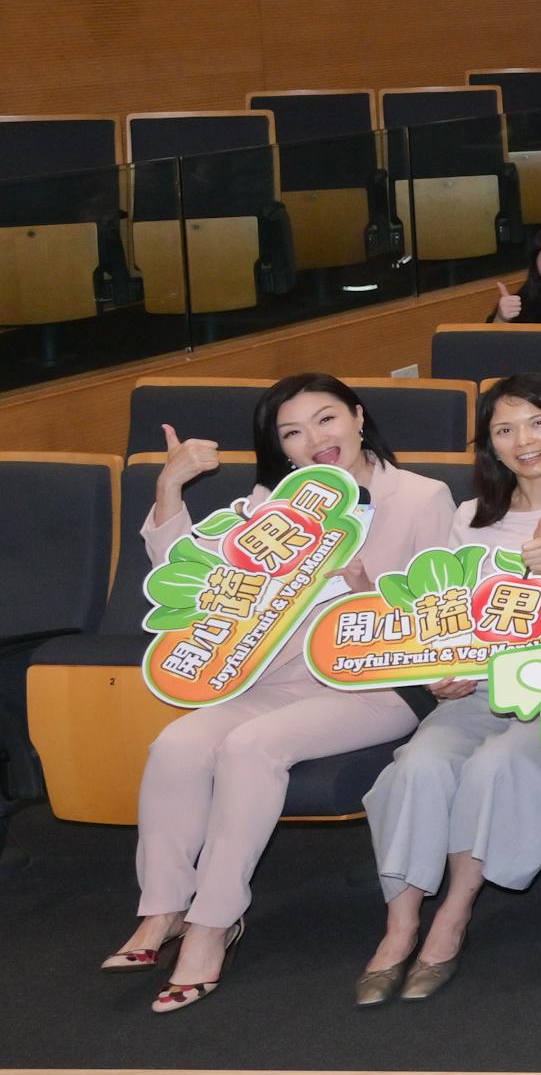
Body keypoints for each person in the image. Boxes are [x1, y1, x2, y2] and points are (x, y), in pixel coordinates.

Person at [116, 376, 462, 1012]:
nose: (315, 441)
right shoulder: (277, 501)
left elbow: (438, 616)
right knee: (177, 743)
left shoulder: (420, 495)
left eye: (327, 420)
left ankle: (213, 923)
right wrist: (169, 486)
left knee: (250, 748)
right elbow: (197, 581)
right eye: (293, 433)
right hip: (277, 676)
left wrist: (364, 585)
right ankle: (163, 909)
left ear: (359, 418)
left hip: (376, 681)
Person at [361, 378, 541, 1003]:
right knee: (420, 763)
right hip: (487, 680)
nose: (525, 441)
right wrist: (448, 666)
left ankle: (454, 914)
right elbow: (455, 611)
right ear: (489, 444)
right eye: (505, 430)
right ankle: (399, 922)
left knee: (499, 764)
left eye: (538, 423)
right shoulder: (472, 517)